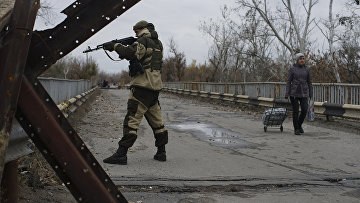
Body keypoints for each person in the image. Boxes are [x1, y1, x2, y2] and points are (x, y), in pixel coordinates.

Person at [102, 20, 168, 165]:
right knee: (158, 123)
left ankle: (121, 154)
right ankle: (161, 152)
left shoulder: (143, 41)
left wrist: (115, 46)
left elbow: (131, 53)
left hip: (141, 88)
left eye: (136, 31)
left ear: (142, 29)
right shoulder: (159, 44)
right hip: (154, 89)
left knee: (131, 122)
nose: (135, 34)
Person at [285, 53, 313, 135]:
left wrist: (311, 93)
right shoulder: (292, 69)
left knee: (304, 110)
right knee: (296, 111)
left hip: (304, 92)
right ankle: (296, 129)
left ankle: (299, 125)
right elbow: (288, 82)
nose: (302, 60)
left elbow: (309, 82)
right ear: (297, 60)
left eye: (303, 59)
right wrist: (287, 93)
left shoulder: (307, 69)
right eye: (300, 59)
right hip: (294, 93)